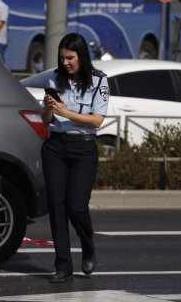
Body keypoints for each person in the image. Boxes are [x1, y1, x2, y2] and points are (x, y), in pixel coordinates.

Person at [40, 32, 109, 283]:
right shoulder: (55, 77)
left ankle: (88, 245)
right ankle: (63, 266)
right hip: (55, 146)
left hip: (83, 148)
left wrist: (66, 112)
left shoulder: (99, 80)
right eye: (62, 58)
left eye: (70, 57)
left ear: (81, 56)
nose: (65, 62)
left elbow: (97, 121)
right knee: (56, 206)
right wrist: (49, 107)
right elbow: (46, 120)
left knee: (76, 206)